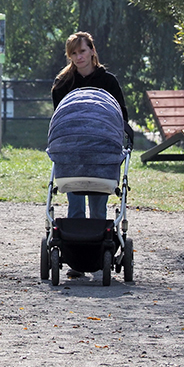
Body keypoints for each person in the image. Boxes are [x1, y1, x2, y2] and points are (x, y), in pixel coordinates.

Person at [51, 31, 128, 226]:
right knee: (75, 208)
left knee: (98, 210)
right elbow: (61, 119)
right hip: (72, 154)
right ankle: (75, 246)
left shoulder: (108, 82)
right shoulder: (63, 85)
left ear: (92, 51)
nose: (79, 57)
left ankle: (98, 246)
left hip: (101, 151)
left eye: (83, 51)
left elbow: (120, 115)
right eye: (74, 53)